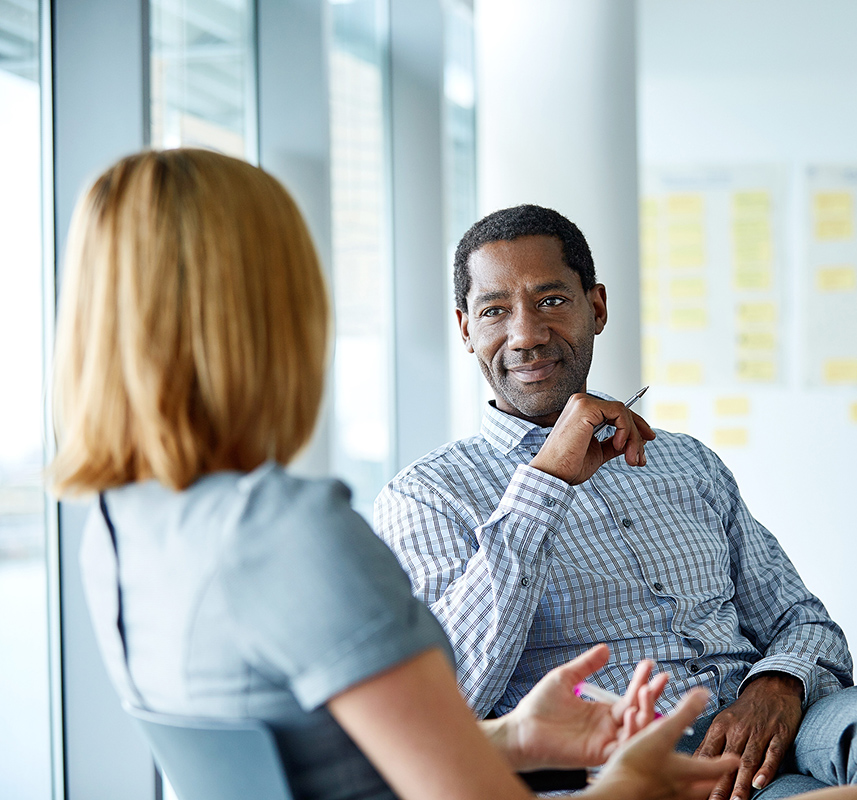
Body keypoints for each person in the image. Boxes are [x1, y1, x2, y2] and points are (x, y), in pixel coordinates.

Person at [50, 149, 753, 800]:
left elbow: (320, 765)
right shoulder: (291, 533)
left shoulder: (118, 530)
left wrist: (510, 738)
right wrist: (631, 785)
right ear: (273, 315)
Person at [374, 204, 857, 800]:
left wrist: (778, 683)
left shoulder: (686, 461)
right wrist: (543, 483)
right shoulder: (428, 495)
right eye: (496, 311)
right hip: (637, 771)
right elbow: (450, 695)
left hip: (772, 727)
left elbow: (802, 621)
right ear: (467, 329)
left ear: (596, 307)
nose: (525, 334)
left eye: (551, 302)